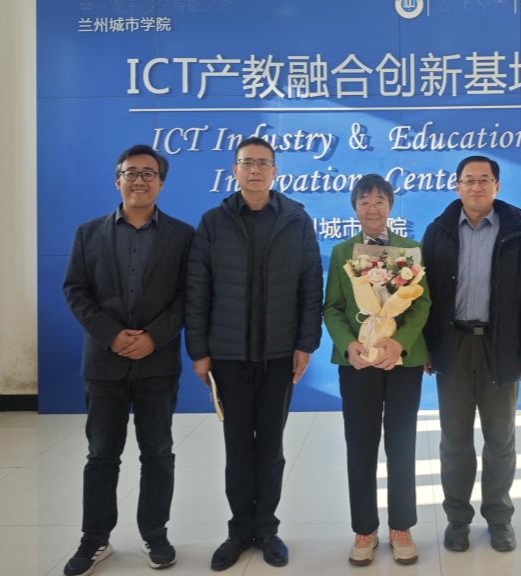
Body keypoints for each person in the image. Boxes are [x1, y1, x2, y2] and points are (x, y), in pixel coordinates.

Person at [185, 136, 323, 571]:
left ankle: (267, 529)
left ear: (275, 171)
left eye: (263, 163)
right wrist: (199, 350)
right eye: (247, 163)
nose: (256, 170)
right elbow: (197, 289)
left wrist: (305, 344)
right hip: (229, 355)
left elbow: (310, 285)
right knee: (238, 446)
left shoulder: (296, 220)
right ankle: (238, 530)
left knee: (271, 447)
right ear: (235, 171)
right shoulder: (213, 222)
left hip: (279, 354)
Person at [62, 144, 193, 575]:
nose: (139, 180)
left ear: (161, 182)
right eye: (130, 172)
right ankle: (94, 539)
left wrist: (154, 337)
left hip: (158, 361)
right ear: (117, 180)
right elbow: (75, 291)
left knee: (158, 452)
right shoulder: (89, 234)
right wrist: (111, 334)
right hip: (105, 362)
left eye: (148, 173)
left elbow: (188, 295)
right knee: (102, 453)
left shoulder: (182, 236)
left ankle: (155, 534)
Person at [421, 155, 521, 553]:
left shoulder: (520, 234)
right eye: (468, 180)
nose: (476, 186)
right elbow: (422, 295)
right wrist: (426, 346)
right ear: (457, 186)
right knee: (454, 439)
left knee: (500, 438)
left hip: (501, 345)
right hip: (453, 344)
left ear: (497, 185)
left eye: (484, 179)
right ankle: (458, 519)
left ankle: (499, 517)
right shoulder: (438, 231)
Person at [323, 174, 430, 566]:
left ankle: (401, 526)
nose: (372, 207)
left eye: (380, 199)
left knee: (401, 443)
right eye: (365, 200)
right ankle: (364, 528)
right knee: (361, 444)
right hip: (359, 361)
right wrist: (347, 344)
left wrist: (399, 342)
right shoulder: (342, 252)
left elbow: (422, 304)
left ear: (391, 205)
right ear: (355, 207)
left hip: (402, 361)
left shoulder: (411, 250)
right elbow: (332, 307)